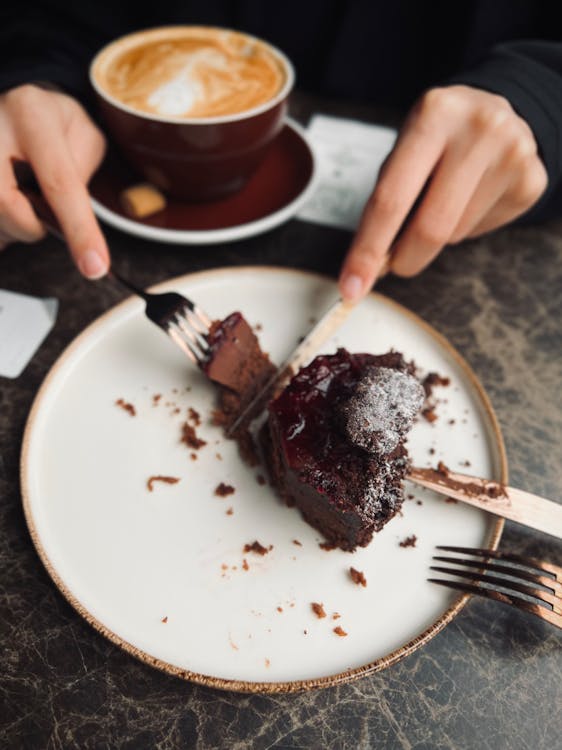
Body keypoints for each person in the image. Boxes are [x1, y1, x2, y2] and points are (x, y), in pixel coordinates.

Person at [1, 1, 561, 303]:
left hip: (453, 236)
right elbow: (52, 15)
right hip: (97, 159)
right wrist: (38, 80)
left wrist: (538, 102)